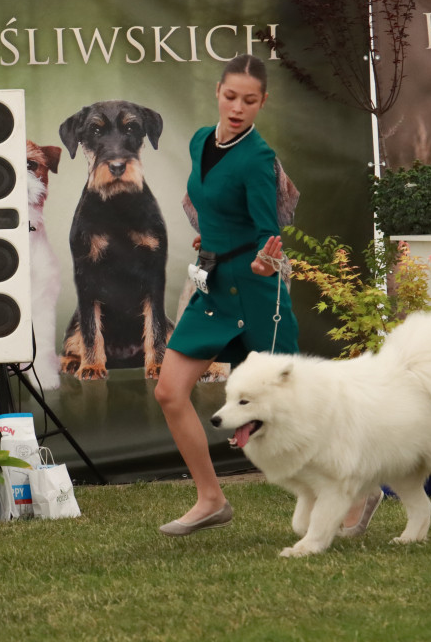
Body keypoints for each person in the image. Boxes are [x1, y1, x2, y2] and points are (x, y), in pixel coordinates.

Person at [154, 54, 383, 536]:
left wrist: (265, 261)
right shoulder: (200, 140)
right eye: (231, 96)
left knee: (294, 410)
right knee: (169, 391)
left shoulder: (258, 158)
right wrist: (209, 238)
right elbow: (206, 203)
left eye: (250, 100)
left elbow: (268, 231)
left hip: (256, 289)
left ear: (263, 103)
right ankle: (211, 498)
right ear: (218, 91)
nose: (238, 107)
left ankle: (361, 488)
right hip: (214, 284)